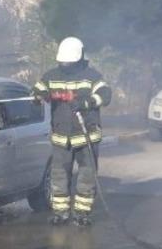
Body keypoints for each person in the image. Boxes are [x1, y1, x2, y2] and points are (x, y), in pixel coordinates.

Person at [33, 37, 113, 226]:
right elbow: (38, 89)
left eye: (68, 61)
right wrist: (38, 95)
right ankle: (60, 213)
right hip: (61, 138)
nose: (64, 65)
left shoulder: (91, 76)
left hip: (86, 137)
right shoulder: (52, 75)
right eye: (62, 61)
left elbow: (106, 94)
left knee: (86, 176)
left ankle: (82, 213)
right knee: (59, 175)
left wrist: (87, 102)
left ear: (78, 58)